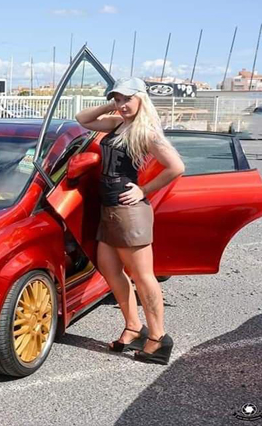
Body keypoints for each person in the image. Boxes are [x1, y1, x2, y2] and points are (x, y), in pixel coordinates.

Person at [75, 77, 185, 365]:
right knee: (111, 272)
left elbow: (176, 166)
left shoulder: (146, 131)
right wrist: (112, 105)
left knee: (143, 277)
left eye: (127, 98)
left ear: (141, 99)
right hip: (109, 209)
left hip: (129, 212)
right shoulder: (118, 123)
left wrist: (144, 190)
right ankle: (133, 327)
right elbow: (82, 119)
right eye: (118, 99)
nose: (122, 104)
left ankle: (158, 338)